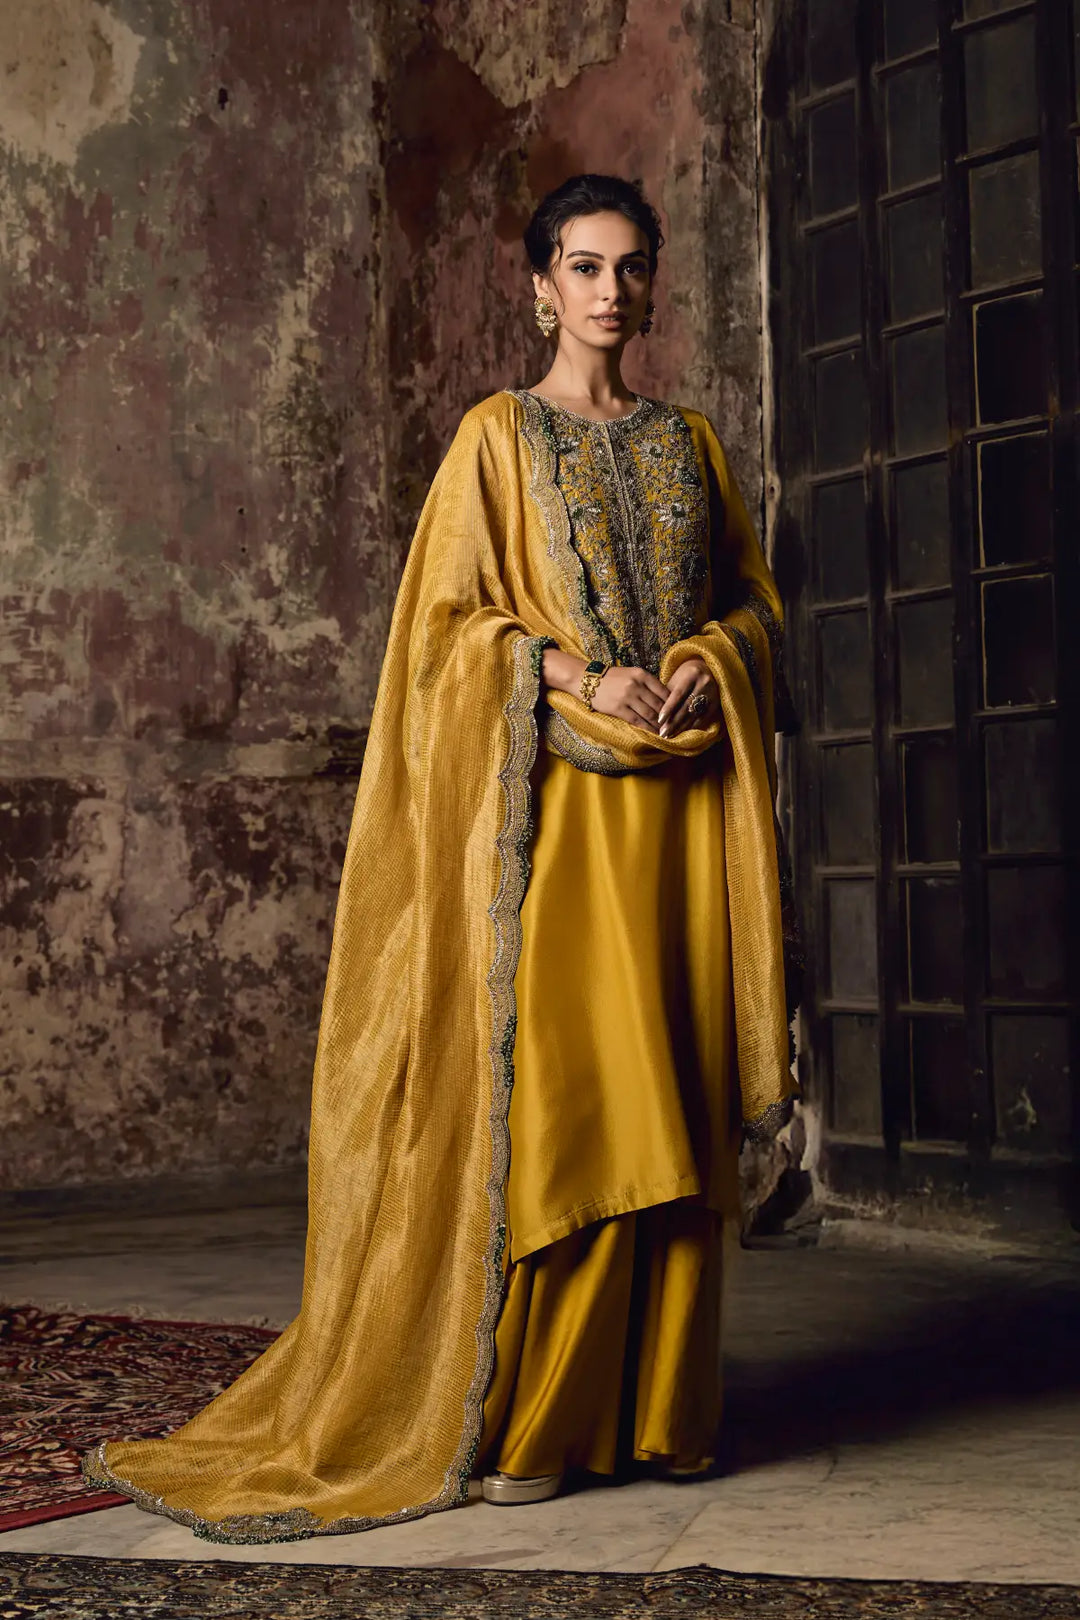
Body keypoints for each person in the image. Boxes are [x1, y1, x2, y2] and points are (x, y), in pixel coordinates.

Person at [83, 172, 800, 1543]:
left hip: (677, 821)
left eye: (631, 267)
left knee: (684, 1091)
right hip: (556, 819)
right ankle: (536, 1418)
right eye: (583, 267)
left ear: (651, 284)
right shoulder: (493, 440)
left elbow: (756, 604)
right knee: (583, 1108)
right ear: (539, 286)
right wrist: (578, 676)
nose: (610, 291)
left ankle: (657, 1413)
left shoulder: (692, 445)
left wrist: (708, 662)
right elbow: (442, 638)